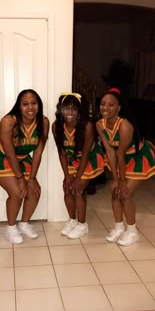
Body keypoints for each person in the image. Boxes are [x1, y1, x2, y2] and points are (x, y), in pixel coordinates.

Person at [0, 89, 49, 244]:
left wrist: (32, 179)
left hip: (21, 159)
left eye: (34, 103)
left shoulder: (44, 122)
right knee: (17, 192)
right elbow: (10, 154)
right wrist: (21, 179)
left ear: (39, 105)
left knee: (34, 191)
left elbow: (38, 153)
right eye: (25, 104)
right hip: (1, 157)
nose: (30, 107)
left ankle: (24, 224)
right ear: (18, 106)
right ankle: (11, 228)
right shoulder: (8, 122)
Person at [96, 87, 155, 246]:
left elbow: (121, 154)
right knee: (115, 192)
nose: (105, 108)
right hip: (119, 158)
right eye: (103, 104)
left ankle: (132, 231)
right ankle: (118, 227)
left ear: (119, 108)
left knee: (125, 193)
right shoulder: (99, 125)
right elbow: (109, 150)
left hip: (137, 158)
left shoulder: (125, 126)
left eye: (111, 105)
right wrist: (116, 179)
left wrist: (121, 181)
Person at [52, 92, 105, 239]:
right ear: (60, 109)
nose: (70, 112)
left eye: (74, 108)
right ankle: (72, 220)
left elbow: (86, 154)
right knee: (67, 188)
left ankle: (82, 225)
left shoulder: (87, 126)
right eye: (66, 108)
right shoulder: (56, 126)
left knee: (78, 189)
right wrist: (67, 176)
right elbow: (61, 152)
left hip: (89, 159)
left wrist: (77, 178)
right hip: (71, 159)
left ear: (79, 110)